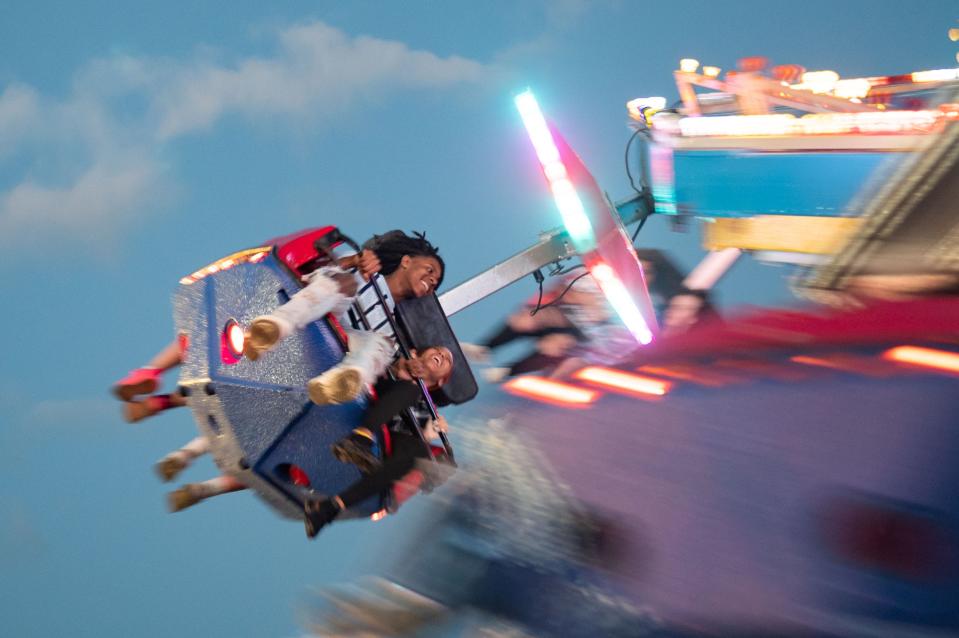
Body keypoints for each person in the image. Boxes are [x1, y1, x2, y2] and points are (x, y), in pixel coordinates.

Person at [111, 229, 444, 420]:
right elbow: (332, 265)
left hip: (341, 338)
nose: (431, 280)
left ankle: (343, 381)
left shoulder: (394, 322)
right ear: (407, 260)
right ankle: (270, 328)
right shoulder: (368, 266)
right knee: (344, 284)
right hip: (321, 297)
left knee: (381, 345)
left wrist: (405, 365)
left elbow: (391, 362)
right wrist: (358, 261)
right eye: (429, 270)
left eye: (436, 281)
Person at [163, 345, 454, 514]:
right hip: (342, 403)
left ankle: (202, 486)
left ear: (440, 382)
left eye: (447, 361)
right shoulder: (389, 356)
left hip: (354, 436)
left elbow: (414, 460)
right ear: (418, 351)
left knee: (270, 456)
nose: (443, 355)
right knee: (260, 421)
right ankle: (186, 455)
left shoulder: (425, 410)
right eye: (438, 351)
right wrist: (399, 368)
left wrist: (429, 435)